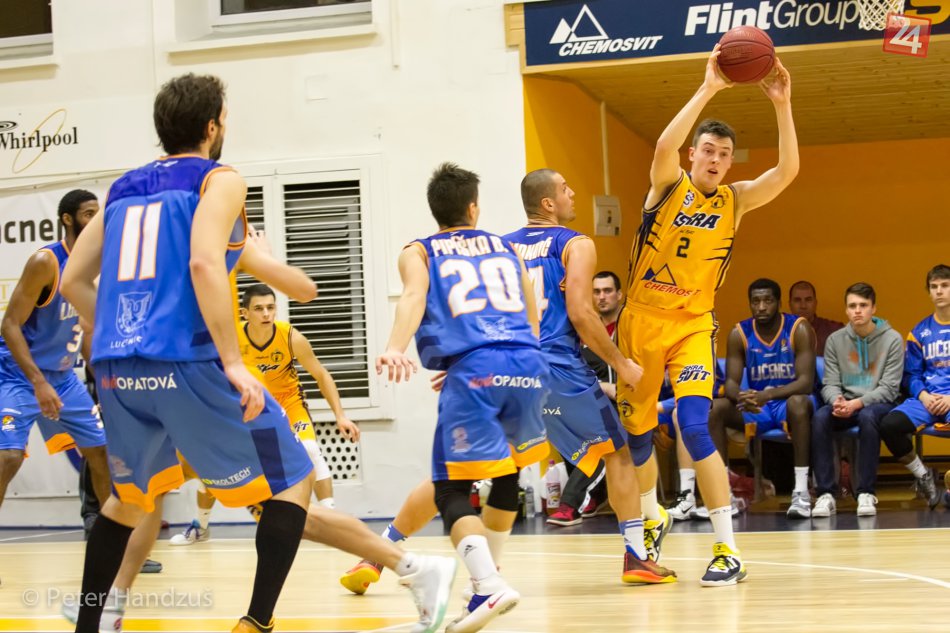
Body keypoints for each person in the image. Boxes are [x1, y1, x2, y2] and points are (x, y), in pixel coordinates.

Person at [61, 74, 453, 633]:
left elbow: (74, 280)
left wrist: (124, 333)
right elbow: (207, 263)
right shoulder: (217, 182)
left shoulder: (124, 190)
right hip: (190, 366)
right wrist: (233, 361)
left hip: (119, 370)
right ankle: (263, 618)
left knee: (127, 502)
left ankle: (96, 618)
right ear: (213, 125)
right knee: (293, 485)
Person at [617, 46, 798, 585]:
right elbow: (662, 145)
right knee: (638, 436)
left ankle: (727, 549)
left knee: (694, 425)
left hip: (693, 324)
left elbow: (787, 172)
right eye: (708, 151)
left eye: (724, 154)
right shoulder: (667, 185)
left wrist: (782, 104)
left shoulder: (735, 200)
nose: (716, 159)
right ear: (692, 155)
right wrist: (710, 86)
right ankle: (652, 517)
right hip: (640, 322)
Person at [374, 162, 549, 632]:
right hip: (528, 362)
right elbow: (531, 313)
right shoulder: (507, 248)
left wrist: (396, 347)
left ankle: (488, 584)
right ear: (474, 208)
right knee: (508, 474)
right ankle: (484, 584)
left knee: (450, 488)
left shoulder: (419, 250)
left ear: (435, 210)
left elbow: (413, 298)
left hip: (475, 368)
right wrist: (501, 362)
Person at [506, 169, 675, 582]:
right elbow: (582, 313)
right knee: (619, 453)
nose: (573, 193)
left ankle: (383, 551)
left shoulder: (501, 247)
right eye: (565, 188)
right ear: (548, 203)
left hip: (511, 370)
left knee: (475, 466)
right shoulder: (574, 244)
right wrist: (622, 364)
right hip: (556, 364)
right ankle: (637, 556)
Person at [170, 283, 359, 545]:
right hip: (249, 408)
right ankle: (200, 527)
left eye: (270, 307)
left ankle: (331, 518)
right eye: (259, 308)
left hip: (288, 404)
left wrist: (340, 415)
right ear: (245, 313)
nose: (266, 313)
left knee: (310, 450)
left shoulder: (290, 337)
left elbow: (321, 374)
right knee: (216, 466)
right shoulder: (231, 338)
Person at [0, 190, 111, 516]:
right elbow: (9, 325)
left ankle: (112, 538)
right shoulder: (46, 262)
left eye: (98, 214)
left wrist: (105, 381)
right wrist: (38, 383)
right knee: (8, 458)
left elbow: (85, 329)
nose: (96, 220)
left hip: (62, 378)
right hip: (18, 376)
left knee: (102, 452)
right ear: (67, 219)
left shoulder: (90, 265)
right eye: (88, 214)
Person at [709, 279, 817, 519]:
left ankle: (800, 491)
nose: (761, 307)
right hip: (758, 407)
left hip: (787, 402)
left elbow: (805, 383)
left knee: (799, 403)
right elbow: (731, 383)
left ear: (779, 303)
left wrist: (766, 395)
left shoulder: (798, 328)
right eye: (756, 301)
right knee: (715, 408)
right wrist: (741, 396)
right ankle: (723, 494)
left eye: (768, 301)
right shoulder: (739, 333)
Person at [812, 283, 903, 517]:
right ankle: (826, 494)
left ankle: (865, 492)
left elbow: (889, 389)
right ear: (846, 310)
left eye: (863, 305)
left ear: (874, 308)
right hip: (845, 403)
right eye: (852, 306)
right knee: (820, 416)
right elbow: (830, 383)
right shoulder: (835, 340)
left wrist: (857, 404)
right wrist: (836, 401)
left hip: (878, 404)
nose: (858, 311)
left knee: (868, 417)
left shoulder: (892, 339)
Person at [875, 264, 950, 509]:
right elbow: (911, 375)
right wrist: (924, 396)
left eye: (945, 286)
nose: (939, 291)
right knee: (889, 425)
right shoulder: (920, 331)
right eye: (934, 287)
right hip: (928, 399)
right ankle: (923, 475)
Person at [789, 281, 844, 355]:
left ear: (815, 303)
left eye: (808, 300)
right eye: (797, 300)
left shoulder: (833, 331)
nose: (803, 306)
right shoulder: (781, 331)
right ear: (790, 304)